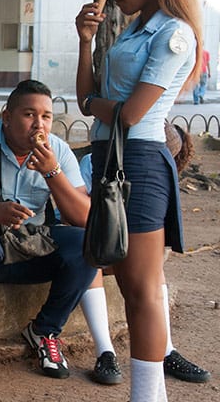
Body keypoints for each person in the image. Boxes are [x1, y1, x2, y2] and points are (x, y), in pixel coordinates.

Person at [75, 0, 203, 401]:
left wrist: (93, 102)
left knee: (144, 287)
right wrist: (86, 42)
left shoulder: (174, 33)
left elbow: (131, 115)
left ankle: (149, 396)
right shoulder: (135, 28)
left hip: (141, 163)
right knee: (130, 286)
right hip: (112, 160)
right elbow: (91, 96)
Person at [0, 79, 96, 380]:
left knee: (87, 243)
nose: (39, 124)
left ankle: (45, 331)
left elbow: (85, 217)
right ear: (7, 117)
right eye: (29, 114)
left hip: (29, 249)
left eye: (46, 116)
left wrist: (52, 172)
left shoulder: (57, 151)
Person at [79, 123, 209, 385]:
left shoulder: (151, 177)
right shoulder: (94, 161)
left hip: (126, 246)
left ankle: (167, 350)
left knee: (152, 269)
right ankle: (106, 352)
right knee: (88, 262)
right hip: (97, 241)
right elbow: (85, 214)